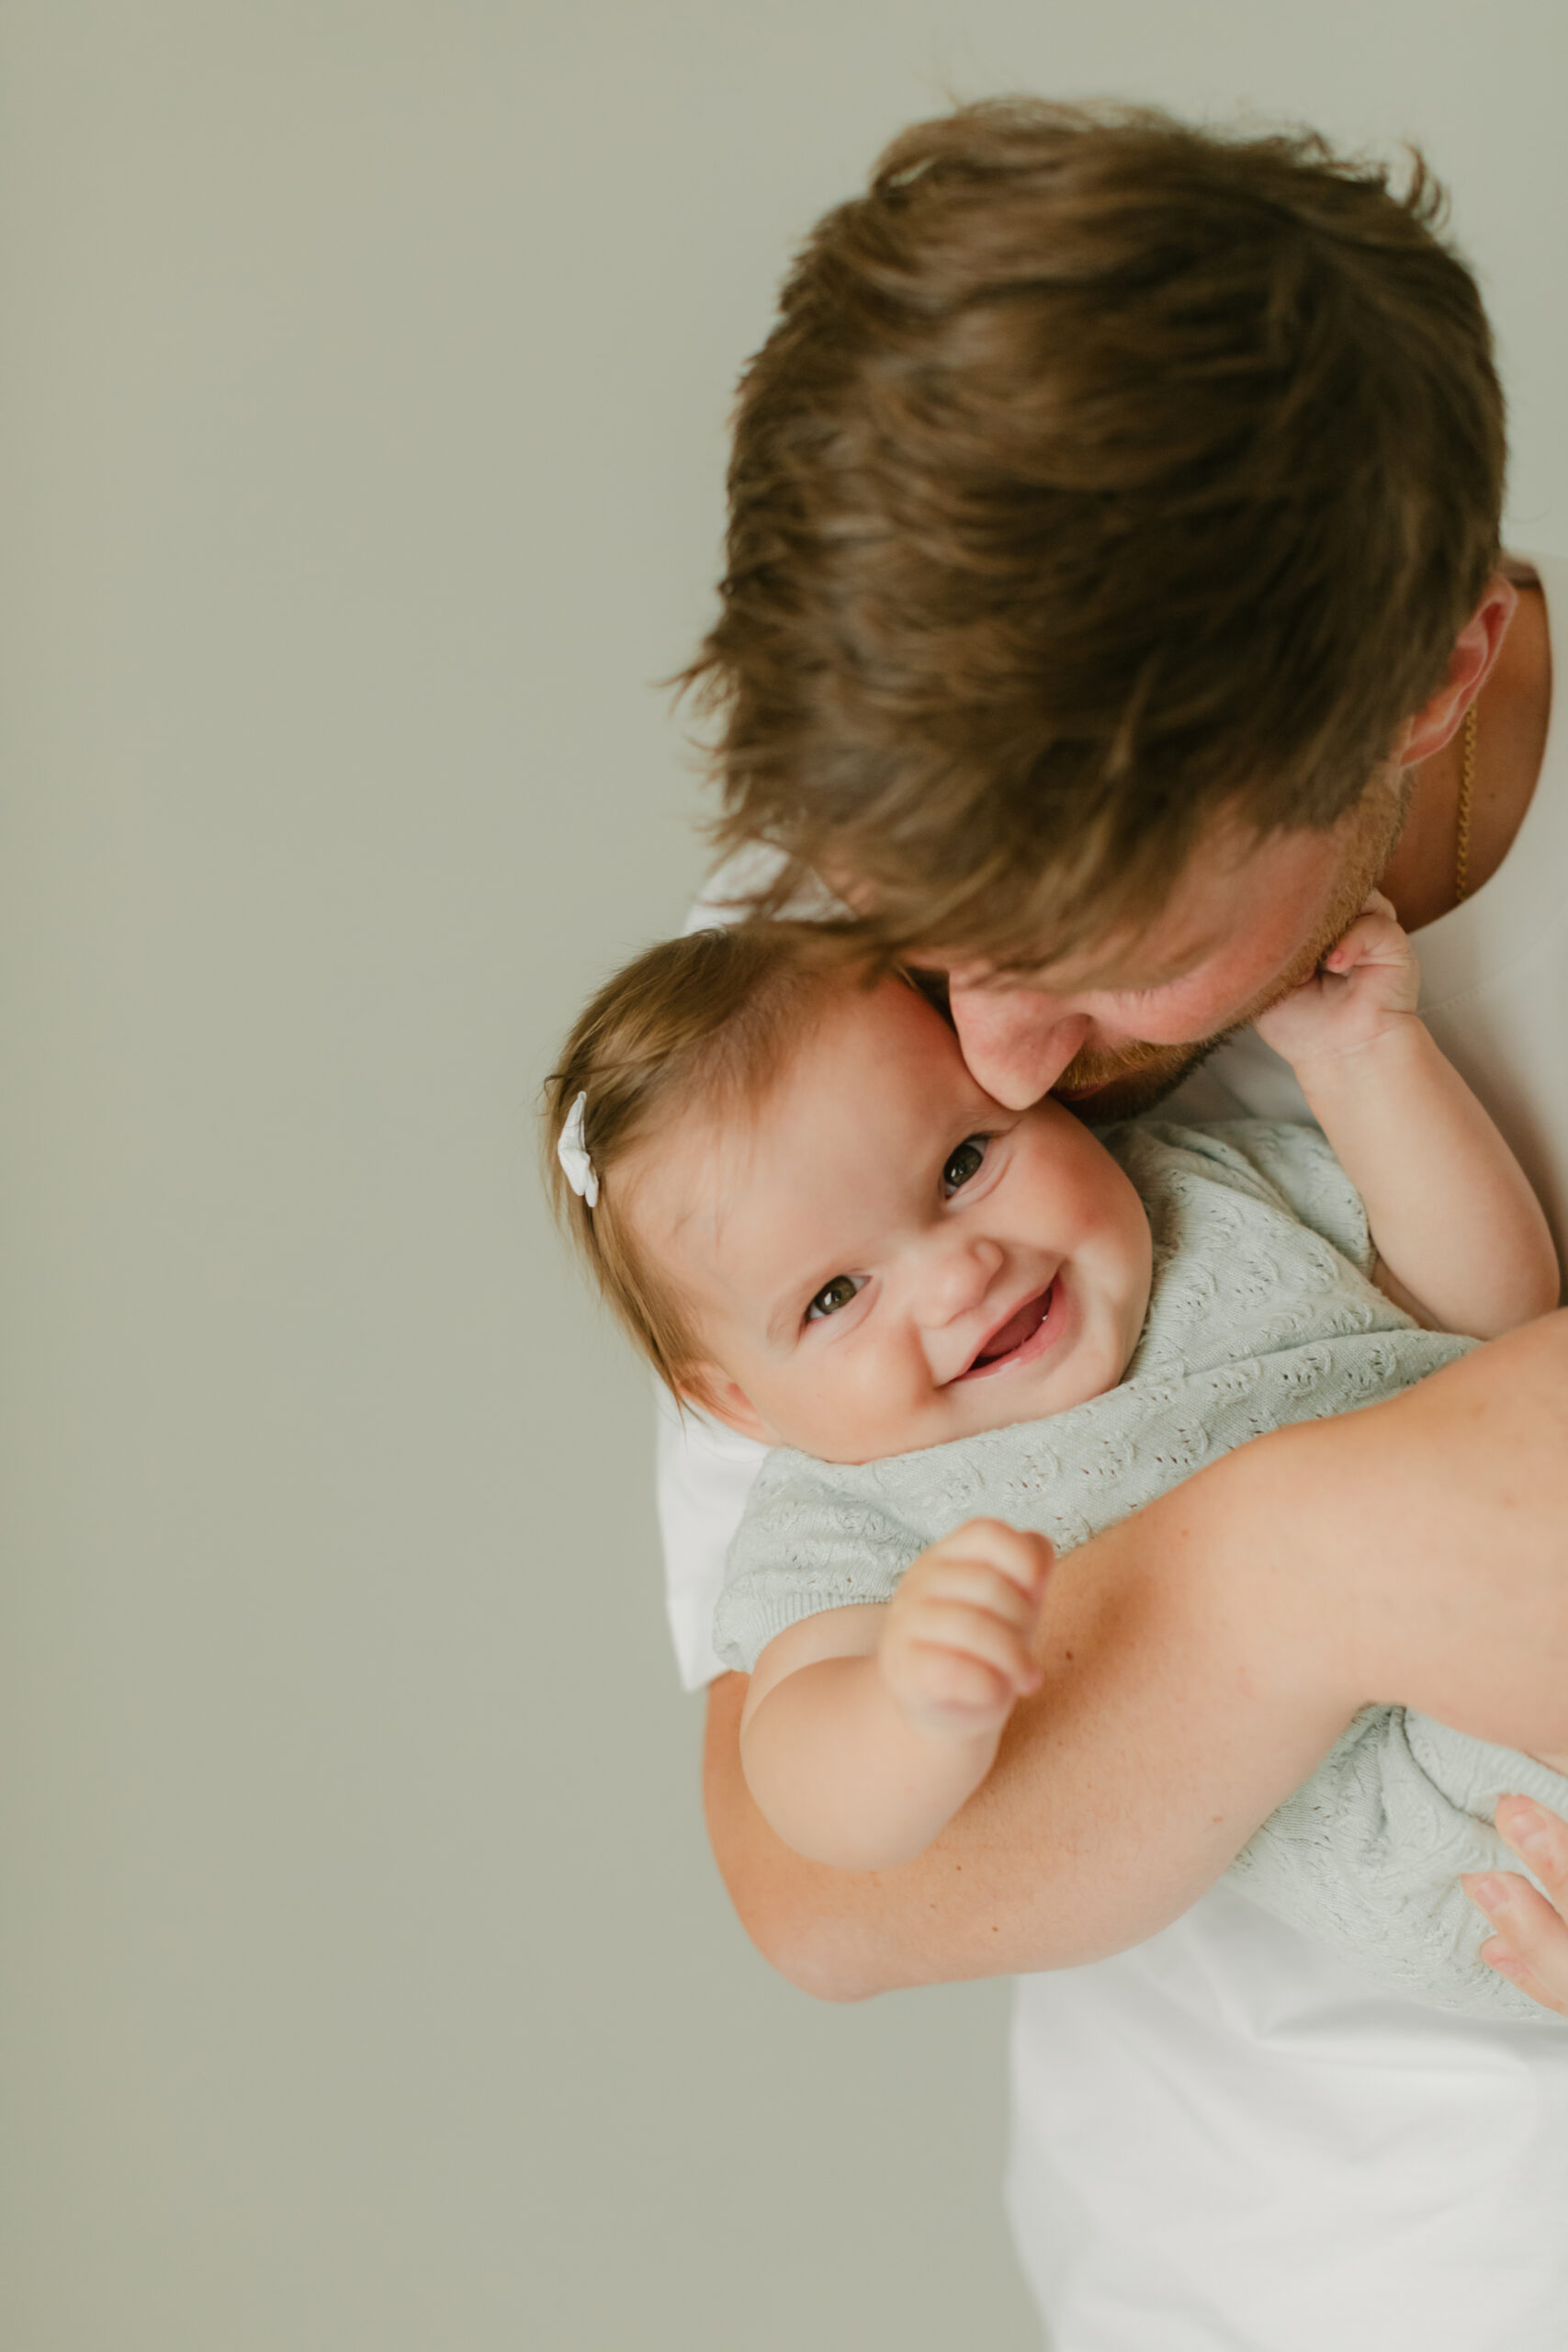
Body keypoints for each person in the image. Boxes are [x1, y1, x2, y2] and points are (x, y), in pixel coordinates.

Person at [661, 98, 1568, 2347]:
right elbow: (823, 1887)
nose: (975, 1055)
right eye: (923, 929)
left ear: (1429, 676)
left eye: (1090, 954)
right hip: (1210, 2276)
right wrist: (1305, 1558)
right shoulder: (802, 1031)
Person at [547, 903, 1564, 2022]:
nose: (957, 1276)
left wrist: (1362, 1058)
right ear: (735, 1399)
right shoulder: (843, 1511)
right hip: (1458, 1833)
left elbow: (1489, 1311)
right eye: (836, 1294)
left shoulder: (1192, 1193)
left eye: (964, 1162)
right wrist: (906, 1710)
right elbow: (804, 1802)